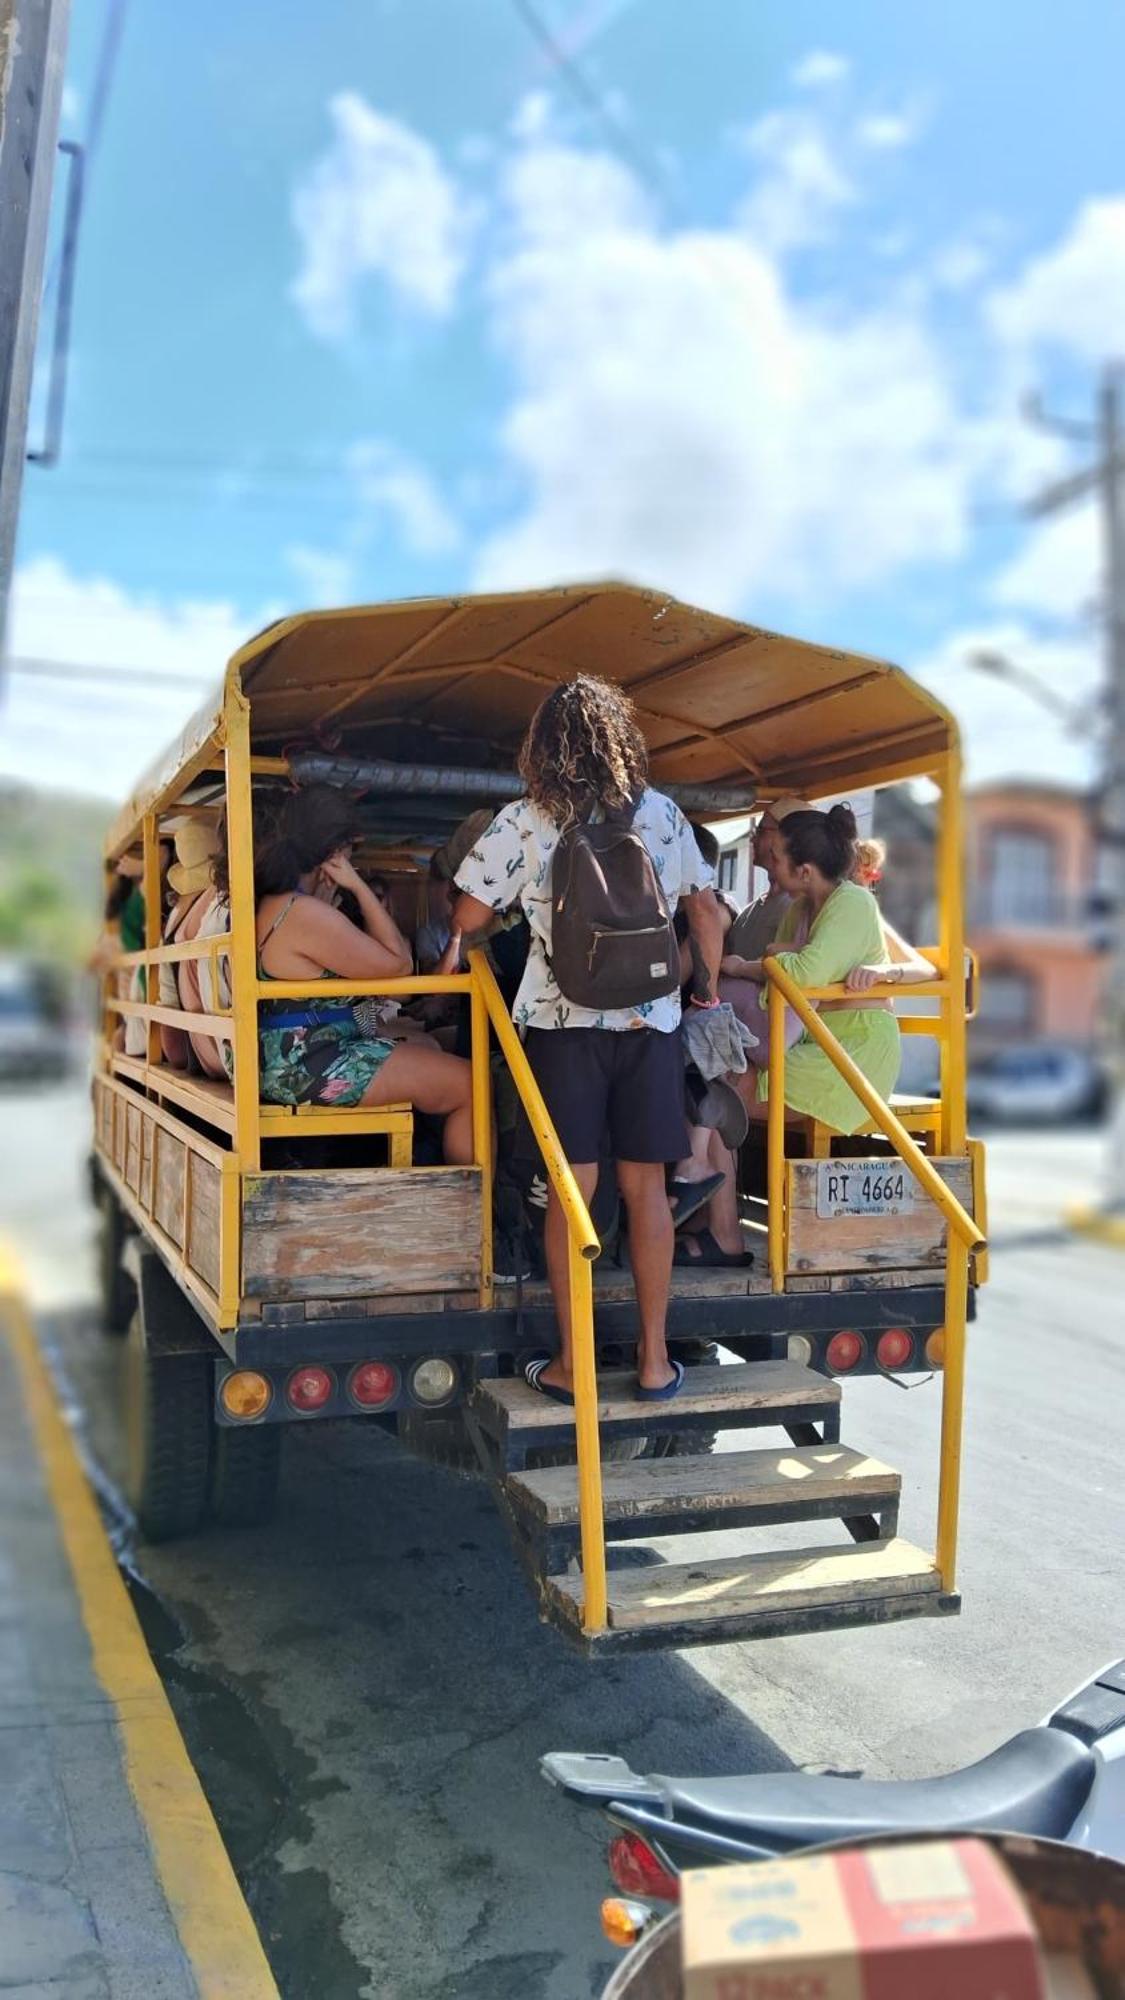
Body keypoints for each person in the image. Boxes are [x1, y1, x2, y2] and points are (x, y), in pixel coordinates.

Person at [452, 674, 723, 1402]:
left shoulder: (525, 818)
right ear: (622, 741)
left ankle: (572, 1367)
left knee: (573, 1195)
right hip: (651, 1023)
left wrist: (469, 934)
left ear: (543, 748)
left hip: (562, 1023)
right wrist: (705, 987)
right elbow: (704, 912)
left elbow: (469, 917)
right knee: (648, 1193)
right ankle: (655, 1361)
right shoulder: (663, 814)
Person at [213, 784, 474, 1164]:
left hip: (284, 1059)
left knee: (433, 1057)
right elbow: (399, 965)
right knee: (468, 1084)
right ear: (334, 855)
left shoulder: (273, 905)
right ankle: (472, 1212)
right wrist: (357, 886)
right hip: (311, 1063)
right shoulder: (301, 913)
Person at [728, 804, 902, 1137]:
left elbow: (804, 973)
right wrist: (775, 958)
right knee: (718, 1068)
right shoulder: (798, 909)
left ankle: (699, 1173)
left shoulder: (853, 902)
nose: (773, 865)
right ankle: (698, 1173)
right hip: (814, 1039)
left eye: (777, 859)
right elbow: (778, 978)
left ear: (805, 872)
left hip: (855, 1050)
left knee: (730, 1082)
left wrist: (771, 956)